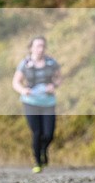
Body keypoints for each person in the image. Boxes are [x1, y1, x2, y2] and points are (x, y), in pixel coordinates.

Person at [12, 36, 62, 173]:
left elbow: (58, 78)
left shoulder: (51, 63)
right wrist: (23, 90)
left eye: (42, 46)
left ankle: (43, 150)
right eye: (37, 46)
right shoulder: (25, 64)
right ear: (31, 48)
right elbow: (16, 82)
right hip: (31, 102)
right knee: (37, 132)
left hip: (48, 102)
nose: (40, 48)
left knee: (49, 134)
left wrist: (54, 85)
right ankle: (37, 162)